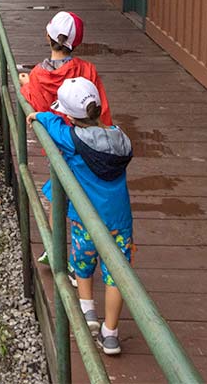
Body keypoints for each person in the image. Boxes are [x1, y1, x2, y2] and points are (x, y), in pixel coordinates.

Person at [27, 77, 133, 356]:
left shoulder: (73, 140)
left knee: (82, 263)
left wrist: (39, 115)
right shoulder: (121, 139)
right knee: (117, 276)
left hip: (86, 220)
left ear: (70, 115)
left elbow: (53, 125)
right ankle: (111, 334)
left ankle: (88, 312)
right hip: (120, 223)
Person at [18, 10, 112, 126]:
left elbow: (40, 107)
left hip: (54, 140)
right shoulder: (87, 69)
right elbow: (102, 110)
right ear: (76, 44)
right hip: (86, 138)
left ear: (48, 36)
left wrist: (27, 85)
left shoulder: (38, 74)